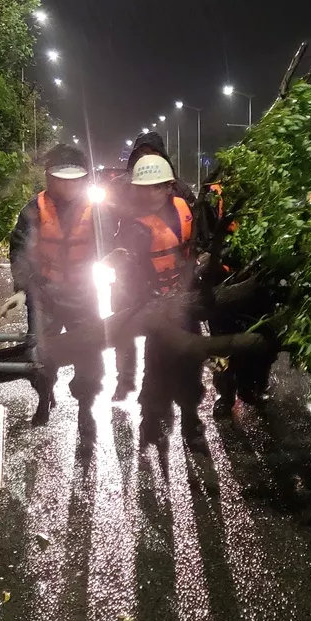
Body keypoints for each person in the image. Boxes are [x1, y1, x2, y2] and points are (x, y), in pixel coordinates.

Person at [2, 144, 110, 439]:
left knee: (88, 356)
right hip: (44, 294)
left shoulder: (97, 211)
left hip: (82, 294)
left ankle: (85, 409)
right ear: (49, 178)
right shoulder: (33, 210)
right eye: (61, 179)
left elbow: (113, 244)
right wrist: (21, 289)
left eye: (74, 180)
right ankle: (44, 396)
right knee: (39, 355)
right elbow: (20, 249)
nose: (68, 186)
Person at [113, 154, 204, 447]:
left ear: (168, 187)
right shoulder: (132, 225)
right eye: (143, 188)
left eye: (156, 187)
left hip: (186, 300)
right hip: (156, 307)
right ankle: (151, 422)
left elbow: (197, 245)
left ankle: (191, 420)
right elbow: (129, 273)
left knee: (191, 363)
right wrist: (147, 299)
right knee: (157, 366)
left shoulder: (184, 209)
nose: (149, 194)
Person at [125, 131, 195, 209]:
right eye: (143, 152)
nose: (148, 157)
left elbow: (194, 211)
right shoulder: (120, 186)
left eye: (153, 153)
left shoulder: (179, 188)